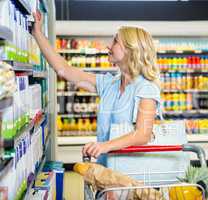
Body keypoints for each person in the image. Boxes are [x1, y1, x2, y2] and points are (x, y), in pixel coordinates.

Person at [32, 12, 161, 166]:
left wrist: (104, 146)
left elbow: (143, 135)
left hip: (132, 175)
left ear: (130, 49)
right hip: (107, 169)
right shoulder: (109, 84)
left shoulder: (146, 88)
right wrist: (37, 33)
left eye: (115, 41)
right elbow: (64, 70)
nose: (109, 46)